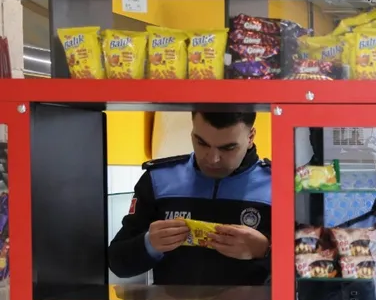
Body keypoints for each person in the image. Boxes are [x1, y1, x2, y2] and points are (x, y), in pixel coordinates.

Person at [109, 110, 271, 286]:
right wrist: (149, 244)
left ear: (250, 137)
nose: (213, 158)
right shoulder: (158, 180)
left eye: (228, 148)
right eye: (202, 143)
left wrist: (265, 250)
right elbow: (118, 263)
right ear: (192, 132)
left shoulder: (278, 185)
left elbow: (303, 275)